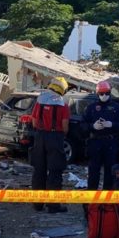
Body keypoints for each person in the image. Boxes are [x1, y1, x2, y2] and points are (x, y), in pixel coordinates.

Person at [30, 78, 70, 213]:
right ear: (63, 90)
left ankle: (37, 204)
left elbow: (34, 122)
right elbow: (65, 127)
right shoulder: (63, 105)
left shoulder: (40, 101)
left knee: (39, 171)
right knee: (55, 172)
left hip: (40, 137)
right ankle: (53, 206)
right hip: (55, 138)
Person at [84, 80, 119, 190]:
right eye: (101, 93)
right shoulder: (91, 107)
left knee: (110, 171)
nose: (104, 96)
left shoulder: (116, 107)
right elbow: (82, 125)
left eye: (106, 93)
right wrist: (93, 126)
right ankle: (91, 196)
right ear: (97, 93)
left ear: (110, 93)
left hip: (110, 143)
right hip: (95, 142)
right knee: (93, 171)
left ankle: (107, 196)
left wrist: (112, 124)